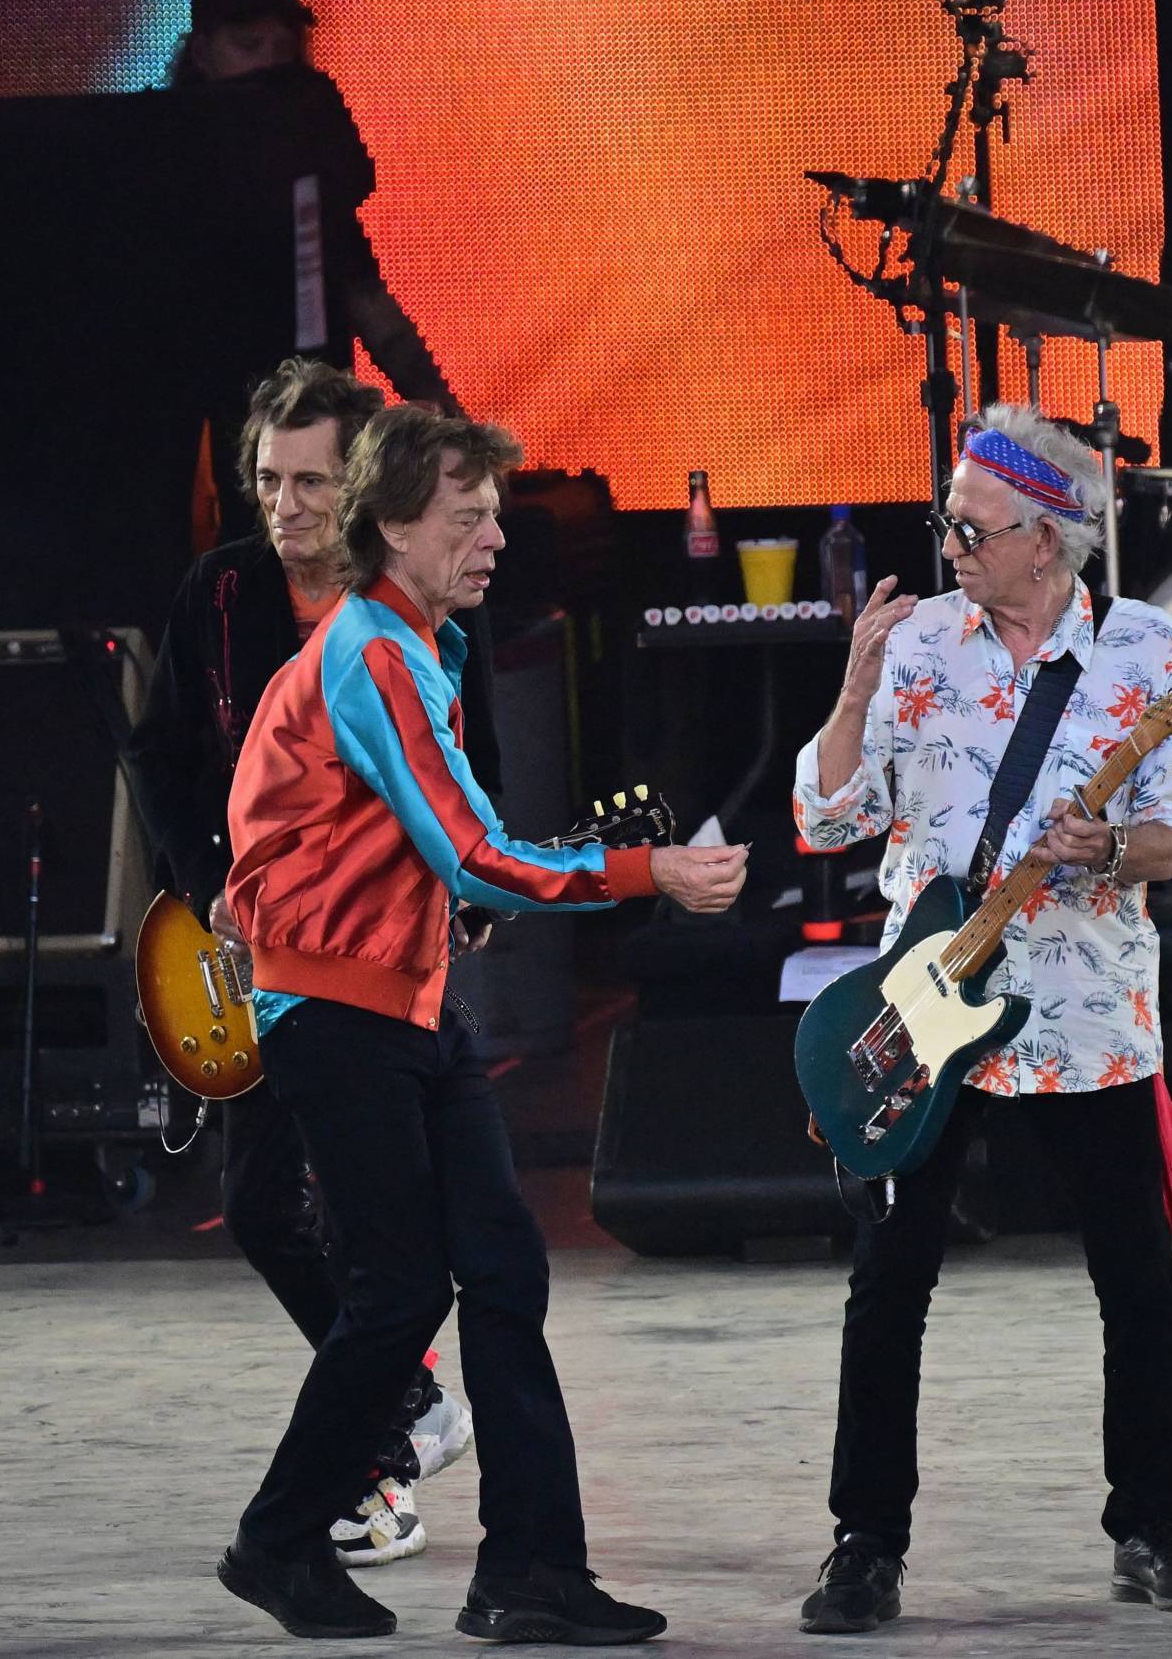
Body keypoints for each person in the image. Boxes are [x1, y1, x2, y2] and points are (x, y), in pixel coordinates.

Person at [214, 406, 749, 1642]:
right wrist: (644, 871)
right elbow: (471, 851)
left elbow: (416, 855)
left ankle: (529, 1572)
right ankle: (277, 1539)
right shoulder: (376, 653)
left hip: (400, 1001)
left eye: (494, 514)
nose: (497, 536)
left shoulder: (423, 642)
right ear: (393, 524)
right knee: (400, 1293)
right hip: (336, 1012)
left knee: (501, 1266)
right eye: (470, 515)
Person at [788, 403, 1172, 1634]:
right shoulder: (920, 643)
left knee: (1134, 1281)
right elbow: (825, 822)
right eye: (947, 524)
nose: (949, 546)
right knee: (890, 1284)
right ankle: (864, 1543)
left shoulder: (1142, 651)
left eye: (969, 527)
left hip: (1086, 1012)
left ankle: (1149, 1520)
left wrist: (1109, 844)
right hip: (926, 1018)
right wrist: (853, 685)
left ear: (1048, 538)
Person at [126, 358, 483, 1571]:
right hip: (249, 951)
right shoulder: (219, 594)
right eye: (269, 481)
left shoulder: (406, 611)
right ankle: (403, 1408)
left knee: (381, 1223)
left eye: (312, 481)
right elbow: (159, 754)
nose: (285, 506)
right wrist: (206, 875)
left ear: (364, 485)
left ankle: (379, 1456)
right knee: (267, 1208)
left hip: (370, 960)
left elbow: (447, 789)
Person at [169, 0, 465, 546]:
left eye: (286, 45)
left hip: (312, 455)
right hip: (205, 453)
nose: (272, 62)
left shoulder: (310, 165)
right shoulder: (166, 163)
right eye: (249, 44)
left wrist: (451, 428)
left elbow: (369, 304)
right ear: (202, 54)